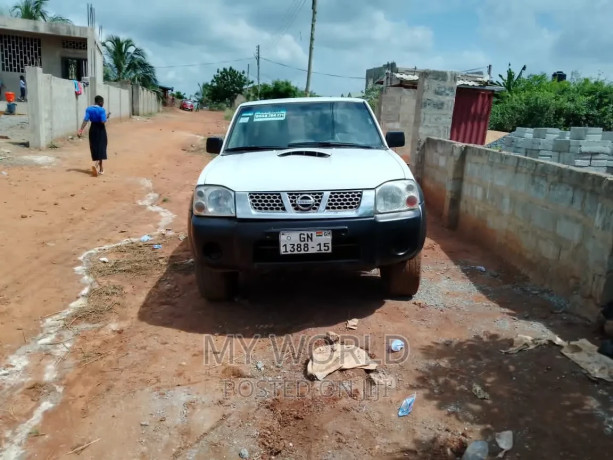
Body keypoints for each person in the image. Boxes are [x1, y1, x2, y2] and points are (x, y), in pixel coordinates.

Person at [78, 95, 111, 177]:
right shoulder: (101, 110)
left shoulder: (89, 109)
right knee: (102, 146)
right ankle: (100, 167)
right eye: (103, 102)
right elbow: (103, 121)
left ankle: (99, 166)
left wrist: (81, 130)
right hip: (100, 129)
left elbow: (86, 120)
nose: (103, 104)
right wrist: (106, 117)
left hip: (92, 129)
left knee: (95, 146)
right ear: (100, 102)